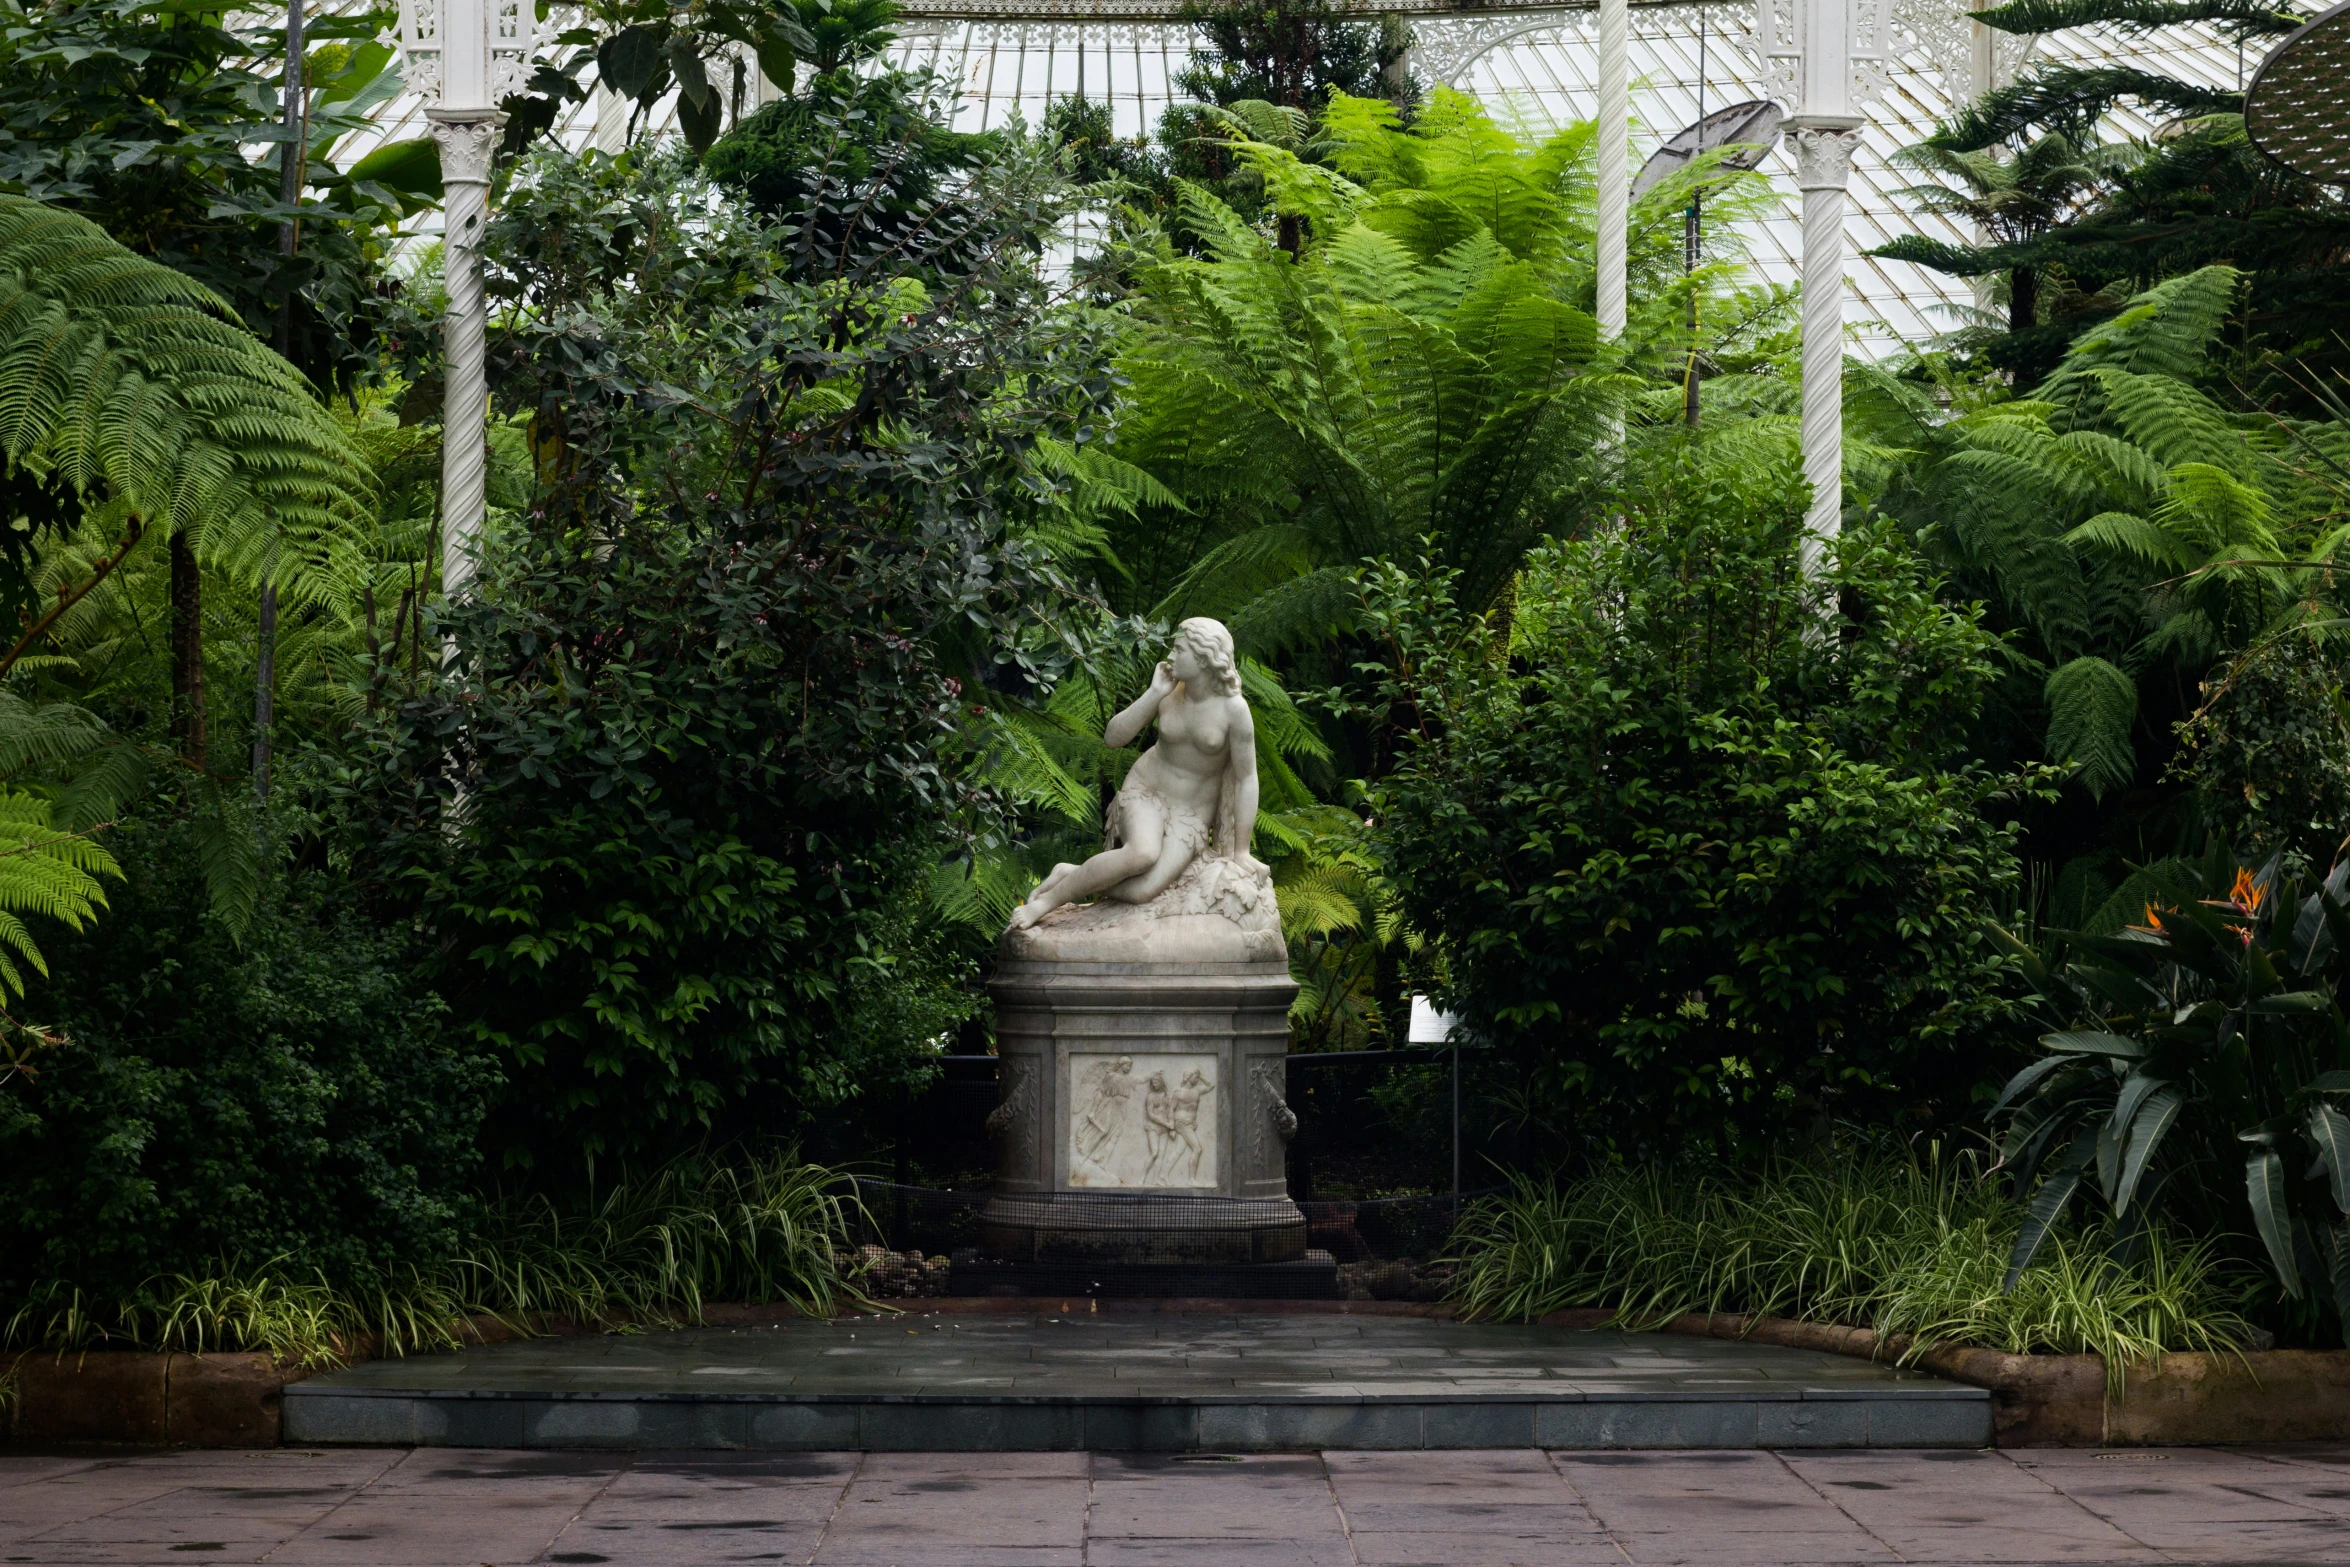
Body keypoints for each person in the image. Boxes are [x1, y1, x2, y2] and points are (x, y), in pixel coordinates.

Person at [1009, 618, 1260, 931]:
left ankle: (1070, 874)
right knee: (1142, 853)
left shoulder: (1234, 710)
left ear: (1204, 658)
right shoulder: (1168, 693)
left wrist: (1241, 851)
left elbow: (1247, 777)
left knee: (1143, 890)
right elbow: (1113, 738)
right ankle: (1049, 901)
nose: (1170, 655)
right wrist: (1154, 693)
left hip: (1190, 815)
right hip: (1147, 790)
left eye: (1179, 649)